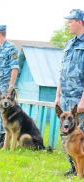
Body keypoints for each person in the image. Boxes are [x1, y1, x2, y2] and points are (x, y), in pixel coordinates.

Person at [54, 9, 84, 176]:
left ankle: (81, 172)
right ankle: (74, 169)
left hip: (79, 99)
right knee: (66, 136)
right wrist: (58, 95)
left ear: (79, 21)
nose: (67, 24)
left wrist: (82, 100)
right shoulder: (69, 44)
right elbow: (62, 72)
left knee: (80, 139)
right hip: (65, 97)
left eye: (70, 21)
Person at [0, 25, 19, 148]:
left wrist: (11, 85)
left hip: (5, 84)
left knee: (6, 112)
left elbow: (14, 67)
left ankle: (6, 138)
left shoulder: (11, 48)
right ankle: (0, 136)